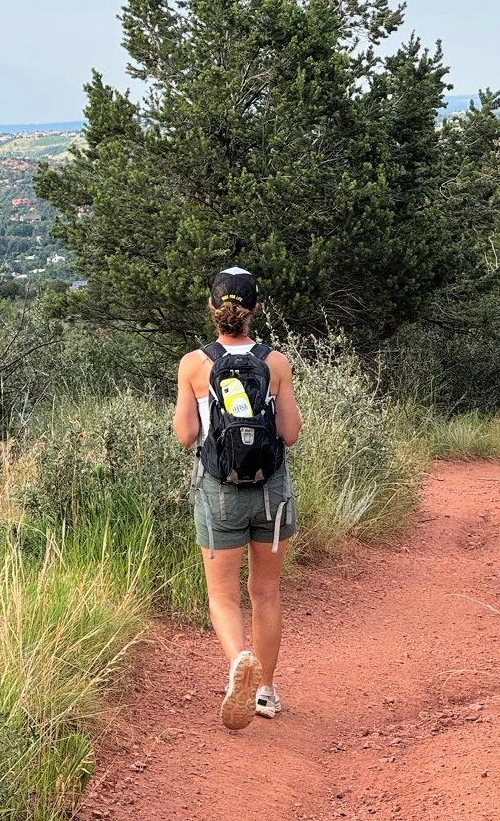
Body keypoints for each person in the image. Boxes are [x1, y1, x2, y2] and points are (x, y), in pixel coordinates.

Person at [172, 267, 303, 729]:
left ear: (213, 308)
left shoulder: (194, 363)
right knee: (265, 593)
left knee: (222, 596)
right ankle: (264, 690)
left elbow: (186, 435)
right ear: (255, 310)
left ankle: (237, 663)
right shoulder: (276, 362)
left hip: (218, 492)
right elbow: (288, 433)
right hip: (272, 491)